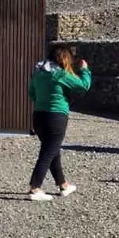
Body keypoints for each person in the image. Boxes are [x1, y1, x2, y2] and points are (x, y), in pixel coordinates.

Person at [26, 44, 91, 201]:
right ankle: (35, 188)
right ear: (64, 58)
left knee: (52, 150)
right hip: (56, 117)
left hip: (38, 116)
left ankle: (63, 185)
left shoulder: (38, 73)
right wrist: (85, 70)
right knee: (48, 152)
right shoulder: (60, 74)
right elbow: (84, 86)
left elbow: (31, 93)